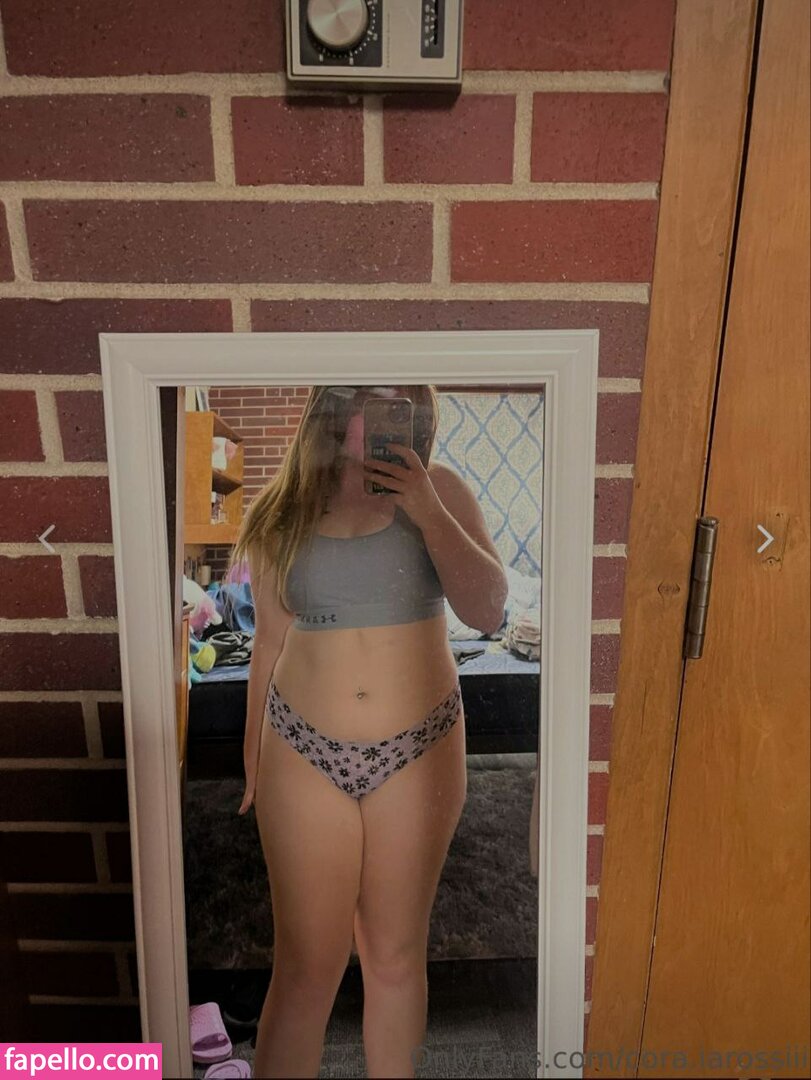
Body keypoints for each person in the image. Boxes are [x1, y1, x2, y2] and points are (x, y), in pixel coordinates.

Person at [225, 384, 508, 1079]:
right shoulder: (283, 508)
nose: (383, 412)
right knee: (305, 966)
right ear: (333, 405)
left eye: (399, 398)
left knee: (394, 957)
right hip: (301, 748)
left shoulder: (441, 488)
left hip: (419, 747)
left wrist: (427, 509)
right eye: (367, 397)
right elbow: (268, 642)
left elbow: (488, 612)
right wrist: (253, 760)